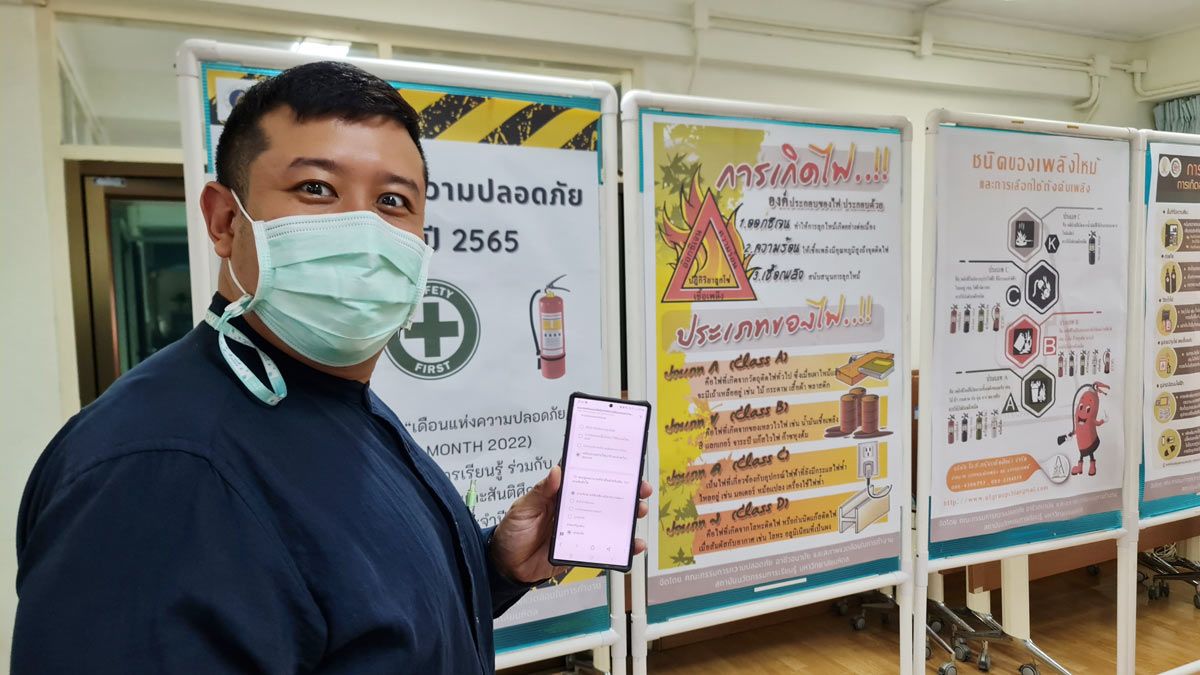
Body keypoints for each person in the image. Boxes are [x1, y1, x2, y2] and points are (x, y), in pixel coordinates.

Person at [12, 61, 651, 674]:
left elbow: (365, 626)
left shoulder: (330, 397)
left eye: (393, 200)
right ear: (226, 220)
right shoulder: (160, 472)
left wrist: (498, 567)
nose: (364, 232)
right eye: (316, 188)